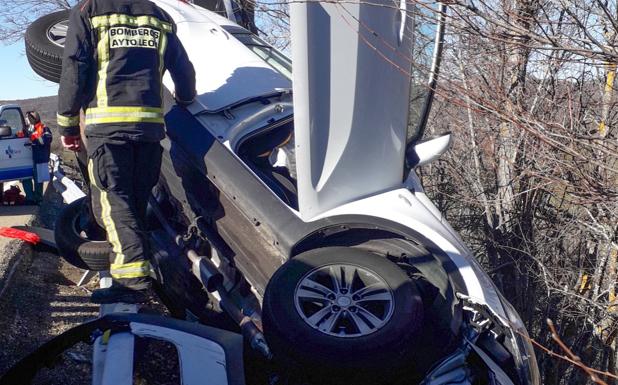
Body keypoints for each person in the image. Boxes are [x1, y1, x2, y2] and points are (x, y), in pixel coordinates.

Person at [57, 0, 196, 304]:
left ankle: (132, 282)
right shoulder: (159, 15)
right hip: (149, 131)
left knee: (116, 202)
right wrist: (187, 99)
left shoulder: (89, 11)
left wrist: (67, 124)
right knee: (136, 202)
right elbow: (183, 68)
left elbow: (75, 66)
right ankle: (148, 274)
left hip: (108, 130)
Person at [21, 111, 52, 204]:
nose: (27, 119)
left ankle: (38, 199)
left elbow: (46, 140)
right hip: (26, 158)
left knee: (38, 179)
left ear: (33, 118)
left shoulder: (44, 128)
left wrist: (34, 137)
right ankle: (30, 198)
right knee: (25, 178)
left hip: (39, 158)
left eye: (28, 118)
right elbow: (20, 137)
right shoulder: (26, 130)